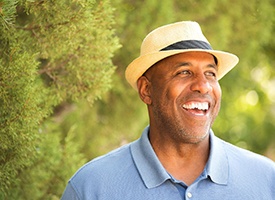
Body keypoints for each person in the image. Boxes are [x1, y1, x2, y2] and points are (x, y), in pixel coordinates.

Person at [61, 21, 275, 200]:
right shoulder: (90, 188)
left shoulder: (266, 180)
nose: (203, 85)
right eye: (184, 72)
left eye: (210, 74)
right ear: (146, 90)